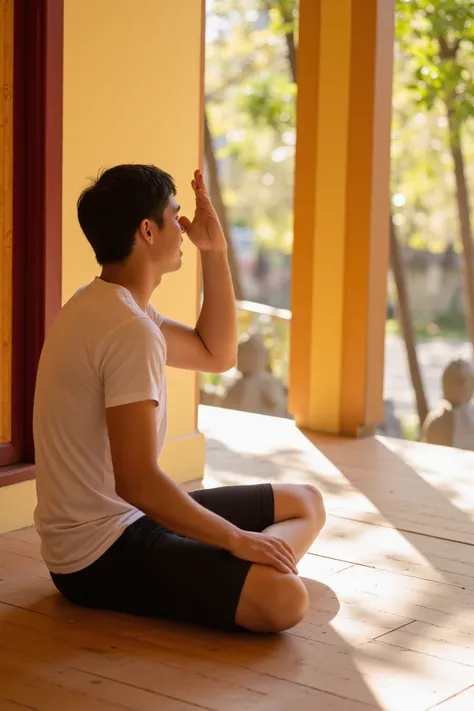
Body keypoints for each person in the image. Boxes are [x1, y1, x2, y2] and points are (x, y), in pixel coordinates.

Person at [33, 164, 326, 633]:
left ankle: (244, 563)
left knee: (305, 501)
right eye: (176, 215)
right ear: (147, 231)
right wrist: (235, 541)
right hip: (98, 554)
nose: (185, 226)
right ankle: (252, 566)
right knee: (285, 600)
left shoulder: (107, 304)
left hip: (132, 520)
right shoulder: (129, 331)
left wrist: (215, 252)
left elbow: (217, 354)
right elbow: (137, 480)